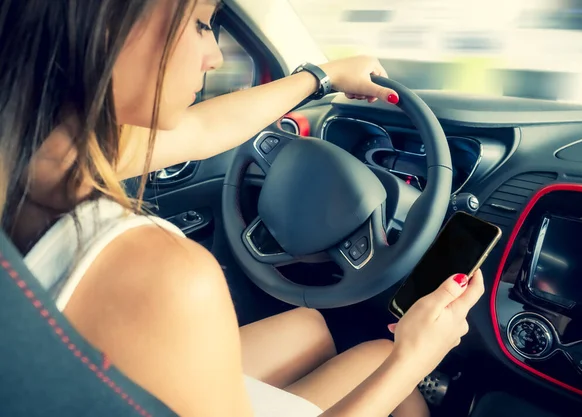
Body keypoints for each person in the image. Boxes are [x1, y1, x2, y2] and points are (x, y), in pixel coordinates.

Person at [0, 0, 485, 416]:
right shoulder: (164, 274)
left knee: (309, 325)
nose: (214, 55)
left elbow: (202, 132)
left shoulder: (44, 154)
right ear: (108, 26)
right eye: (200, 24)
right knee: (386, 360)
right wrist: (417, 357)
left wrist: (324, 77)